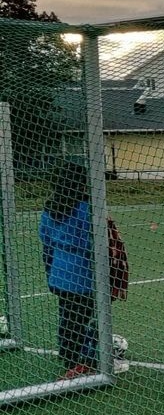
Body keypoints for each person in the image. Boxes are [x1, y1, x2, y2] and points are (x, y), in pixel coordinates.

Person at [39, 162, 96, 380]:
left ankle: (68, 354)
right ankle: (81, 360)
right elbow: (93, 243)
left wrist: (50, 273)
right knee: (81, 317)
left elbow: (46, 242)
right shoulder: (87, 208)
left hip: (59, 270)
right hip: (83, 272)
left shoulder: (50, 208)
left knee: (68, 315)